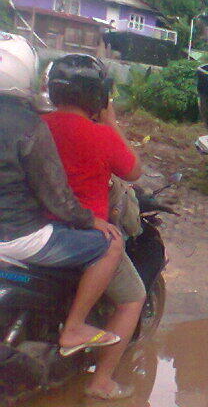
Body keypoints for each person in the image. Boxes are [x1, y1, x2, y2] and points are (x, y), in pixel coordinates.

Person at [0, 33, 123, 356]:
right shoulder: (29, 125)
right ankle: (74, 328)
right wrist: (90, 220)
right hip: (17, 235)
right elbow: (56, 195)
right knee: (111, 244)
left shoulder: (42, 121)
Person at [43, 54, 145, 400]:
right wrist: (110, 120)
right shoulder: (100, 135)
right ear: (98, 97)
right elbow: (133, 171)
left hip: (34, 230)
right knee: (133, 298)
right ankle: (101, 381)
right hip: (85, 236)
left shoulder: (37, 124)